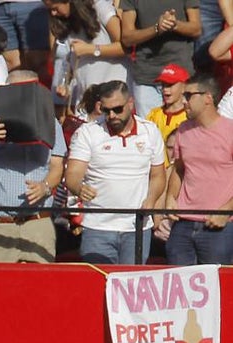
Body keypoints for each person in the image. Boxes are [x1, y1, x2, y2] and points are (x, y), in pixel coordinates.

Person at [0, 69, 67, 262]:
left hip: (38, 223)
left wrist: (45, 186)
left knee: (39, 288)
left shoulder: (52, 123)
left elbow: (57, 166)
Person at [65, 80, 165, 264]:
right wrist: (79, 188)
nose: (112, 115)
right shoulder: (88, 132)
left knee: (131, 286)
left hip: (137, 227)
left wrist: (151, 200)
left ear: (130, 104)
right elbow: (72, 174)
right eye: (106, 110)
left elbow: (158, 175)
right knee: (96, 286)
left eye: (117, 109)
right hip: (97, 226)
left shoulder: (150, 131)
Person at [159, 72, 233, 265]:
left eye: (189, 96)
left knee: (219, 288)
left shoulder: (230, 131)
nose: (184, 102)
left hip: (218, 226)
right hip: (183, 224)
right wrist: (170, 198)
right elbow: (179, 168)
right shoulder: (183, 130)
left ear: (208, 97)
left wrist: (227, 211)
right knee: (178, 288)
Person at [47, 0, 130, 119]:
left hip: (114, 99)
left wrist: (91, 50)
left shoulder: (100, 7)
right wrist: (66, 85)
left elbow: (126, 47)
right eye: (49, 9)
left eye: (55, 8)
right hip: (85, 102)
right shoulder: (64, 21)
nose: (53, 13)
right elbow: (71, 60)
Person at [119, 0, 201, 120]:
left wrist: (175, 24)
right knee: (149, 131)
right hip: (147, 78)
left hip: (180, 76)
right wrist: (156, 29)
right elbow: (127, 38)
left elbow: (196, 29)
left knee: (186, 131)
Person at [0, 0, 50, 76]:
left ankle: (38, 87)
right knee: (10, 65)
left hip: (32, 4)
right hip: (1, 7)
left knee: (36, 63)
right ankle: (18, 87)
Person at [147, 62, 189, 143]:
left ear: (184, 87)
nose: (165, 89)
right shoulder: (154, 115)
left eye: (170, 85)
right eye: (163, 85)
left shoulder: (189, 117)